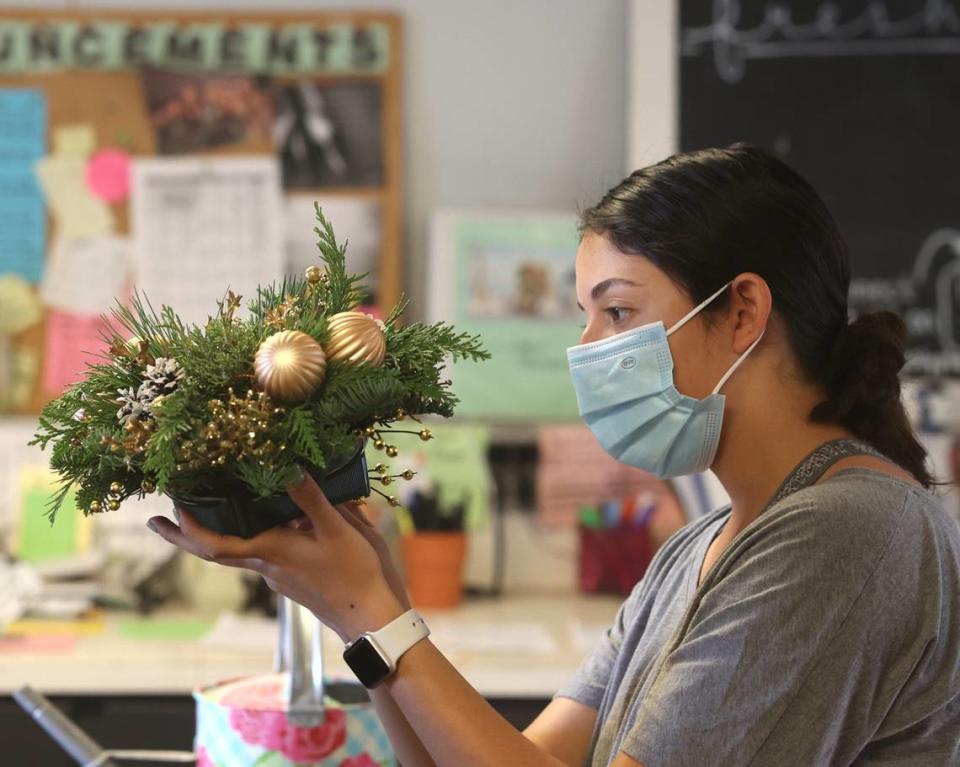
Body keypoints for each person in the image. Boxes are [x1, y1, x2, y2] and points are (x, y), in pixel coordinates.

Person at [148, 144, 960, 766]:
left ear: (741, 311)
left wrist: (374, 611)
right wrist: (368, 592)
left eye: (616, 312)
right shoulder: (695, 550)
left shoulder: (848, 532)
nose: (586, 349)